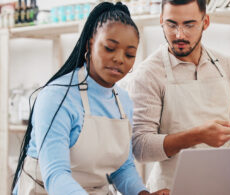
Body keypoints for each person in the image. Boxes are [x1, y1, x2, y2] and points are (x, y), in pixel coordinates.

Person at [11, 2, 169, 195]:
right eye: (110, 48)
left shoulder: (123, 101)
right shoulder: (57, 97)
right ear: (90, 44)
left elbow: (123, 168)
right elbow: (55, 175)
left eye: (129, 54)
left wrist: (142, 193)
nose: (120, 59)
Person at [127, 0, 230, 191]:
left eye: (189, 25)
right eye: (172, 24)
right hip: (172, 188)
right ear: (161, 20)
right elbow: (140, 147)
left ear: (205, 22)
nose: (180, 34)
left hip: (225, 184)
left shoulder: (227, 65)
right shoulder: (148, 74)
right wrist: (197, 136)